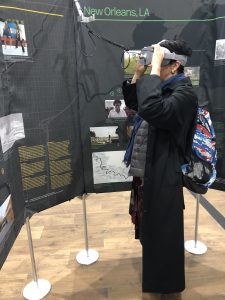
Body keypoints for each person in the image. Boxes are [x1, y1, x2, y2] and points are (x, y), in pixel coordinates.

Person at [122, 39, 198, 299]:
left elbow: (153, 109)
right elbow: (138, 104)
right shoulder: (165, 88)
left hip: (165, 172)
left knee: (166, 233)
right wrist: (139, 73)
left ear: (175, 65)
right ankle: (157, 276)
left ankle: (167, 286)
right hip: (149, 170)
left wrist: (154, 70)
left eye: (161, 62)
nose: (156, 66)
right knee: (152, 229)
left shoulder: (185, 94)